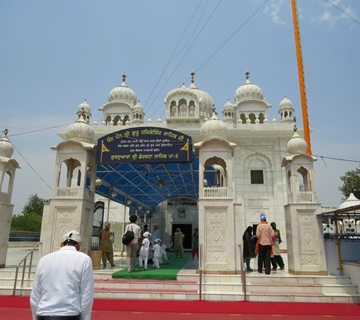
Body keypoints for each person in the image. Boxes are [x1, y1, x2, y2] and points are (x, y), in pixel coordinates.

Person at [30, 230, 94, 320]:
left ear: (61, 244)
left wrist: (35, 317)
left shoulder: (44, 260)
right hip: (69, 314)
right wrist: (85, 318)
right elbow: (86, 294)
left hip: (43, 314)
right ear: (79, 245)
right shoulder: (84, 259)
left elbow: (35, 295)